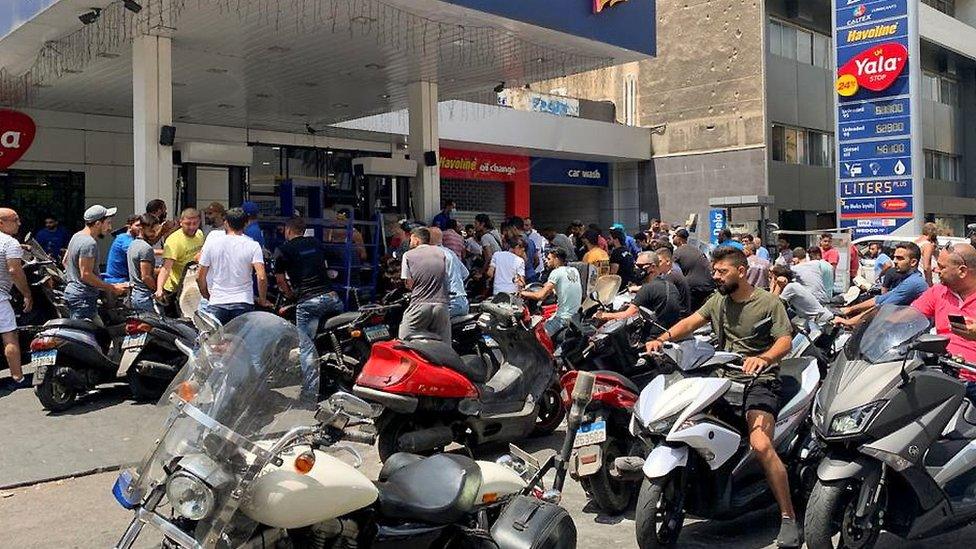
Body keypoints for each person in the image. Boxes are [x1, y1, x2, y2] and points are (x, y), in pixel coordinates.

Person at [646, 247, 800, 547]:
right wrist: (661, 339)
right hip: (721, 378)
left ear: (741, 272)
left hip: (760, 381)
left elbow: (785, 341)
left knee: (760, 443)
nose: (716, 276)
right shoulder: (718, 300)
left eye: (722, 272)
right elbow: (691, 322)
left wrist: (764, 359)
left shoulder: (768, 302)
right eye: (714, 271)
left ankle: (788, 517)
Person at [273, 216, 343, 391]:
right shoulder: (315, 243)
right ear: (303, 231)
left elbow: (280, 281)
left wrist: (290, 295)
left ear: (288, 230)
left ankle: (310, 391)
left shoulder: (283, 250)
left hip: (309, 302)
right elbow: (335, 257)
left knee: (306, 346)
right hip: (332, 298)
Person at [913, 244, 976, 401]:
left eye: (941, 267)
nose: (935, 270)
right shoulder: (938, 291)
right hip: (939, 374)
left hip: (972, 379)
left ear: (962, 271)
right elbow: (909, 316)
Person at [197, 207, 269, 324]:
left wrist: (207, 295)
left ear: (226, 223)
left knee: (213, 340)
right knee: (240, 340)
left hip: (217, 301)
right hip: (243, 302)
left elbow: (199, 276)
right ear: (246, 224)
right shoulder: (253, 245)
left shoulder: (212, 244)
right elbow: (261, 277)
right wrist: (262, 300)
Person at [835, 242, 927, 328]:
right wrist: (850, 309)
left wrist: (848, 322)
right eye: (894, 257)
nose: (894, 261)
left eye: (900, 258)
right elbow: (880, 299)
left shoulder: (913, 282)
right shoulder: (908, 278)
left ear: (913, 262)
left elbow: (881, 308)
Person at [596, 251, 681, 338]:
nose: (636, 269)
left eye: (640, 266)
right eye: (635, 265)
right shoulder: (670, 285)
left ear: (653, 267)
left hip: (651, 339)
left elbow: (627, 315)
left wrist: (603, 315)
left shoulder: (647, 288)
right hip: (669, 334)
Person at [64, 205, 127, 321]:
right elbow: (86, 275)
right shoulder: (89, 243)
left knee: (97, 332)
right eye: (108, 223)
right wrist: (112, 288)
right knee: (87, 335)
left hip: (75, 293)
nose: (110, 227)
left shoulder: (76, 236)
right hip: (83, 297)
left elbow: (65, 261)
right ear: (98, 223)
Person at [399, 227, 450, 342]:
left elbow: (409, 284)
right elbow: (445, 277)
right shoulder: (441, 253)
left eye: (411, 240)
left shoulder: (408, 255)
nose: (410, 243)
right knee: (444, 345)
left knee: (404, 340)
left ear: (416, 240)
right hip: (442, 306)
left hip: (420, 304)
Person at [0, 209, 32, 389]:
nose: (19, 223)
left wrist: (21, 247)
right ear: (1, 223)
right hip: (0, 299)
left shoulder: (13, 244)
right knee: (9, 336)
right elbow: (14, 271)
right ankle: (18, 377)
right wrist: (27, 293)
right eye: (15, 220)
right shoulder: (9, 243)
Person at [520, 247, 582, 338]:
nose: (546, 260)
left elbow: (540, 295)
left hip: (562, 318)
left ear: (556, 259)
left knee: (537, 336)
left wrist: (523, 293)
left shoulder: (556, 272)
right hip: (576, 316)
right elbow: (555, 286)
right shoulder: (574, 270)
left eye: (549, 259)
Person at [155, 208, 204, 304]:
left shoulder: (199, 234)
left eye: (195, 223)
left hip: (192, 287)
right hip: (175, 289)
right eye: (188, 224)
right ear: (181, 222)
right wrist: (159, 289)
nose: (192, 227)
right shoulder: (174, 241)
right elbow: (166, 268)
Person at [429, 227, 470, 318]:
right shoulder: (450, 253)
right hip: (462, 301)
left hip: (450, 303)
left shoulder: (433, 254)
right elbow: (465, 274)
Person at [126, 214, 163, 312]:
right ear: (141, 228)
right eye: (151, 231)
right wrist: (157, 290)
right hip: (145, 297)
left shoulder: (133, 244)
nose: (154, 234)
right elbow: (145, 277)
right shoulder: (146, 248)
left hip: (135, 295)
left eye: (156, 230)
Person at [672, 228, 715, 310]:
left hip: (694, 288)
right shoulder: (696, 250)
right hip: (709, 285)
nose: (672, 237)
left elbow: (670, 271)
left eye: (674, 236)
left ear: (679, 238)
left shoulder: (678, 252)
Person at [103, 215, 140, 283]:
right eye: (137, 225)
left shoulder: (132, 239)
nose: (140, 228)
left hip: (123, 279)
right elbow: (138, 252)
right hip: (117, 281)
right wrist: (163, 252)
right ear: (129, 227)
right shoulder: (124, 238)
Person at [655, 246, 691, 316]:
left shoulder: (671, 274)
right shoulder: (673, 269)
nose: (657, 265)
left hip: (679, 315)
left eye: (659, 262)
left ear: (668, 261)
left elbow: (661, 294)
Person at [507, 217, 539, 283]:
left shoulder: (517, 243)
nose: (508, 233)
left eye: (509, 230)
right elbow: (537, 261)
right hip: (532, 275)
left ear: (514, 228)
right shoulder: (531, 241)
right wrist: (530, 268)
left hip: (522, 279)